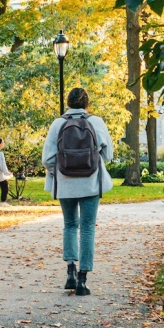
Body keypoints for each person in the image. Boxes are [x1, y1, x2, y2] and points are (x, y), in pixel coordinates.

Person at [42, 88, 113, 297]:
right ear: (87, 104)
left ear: (68, 103)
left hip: (65, 184)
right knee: (88, 228)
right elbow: (107, 154)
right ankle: (83, 280)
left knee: (70, 225)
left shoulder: (58, 124)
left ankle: (70, 272)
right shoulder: (96, 122)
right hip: (90, 183)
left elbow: (47, 159)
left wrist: (61, 173)